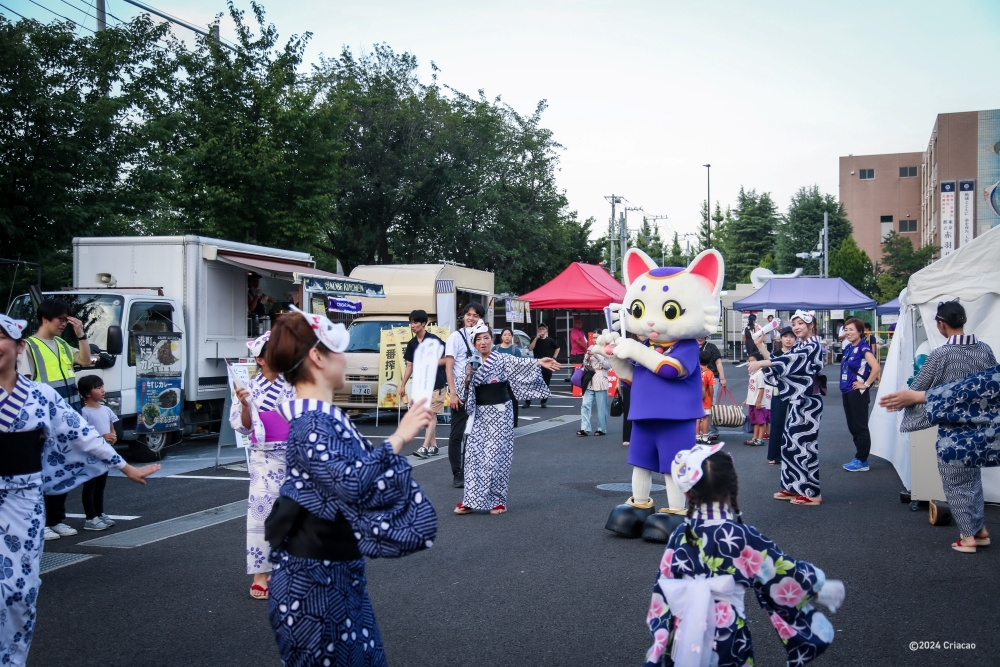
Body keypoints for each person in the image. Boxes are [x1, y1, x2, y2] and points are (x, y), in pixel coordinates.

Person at [263, 306, 436, 666]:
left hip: (331, 575)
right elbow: (351, 482)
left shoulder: (317, 418)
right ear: (317, 357)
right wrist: (400, 437)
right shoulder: (312, 423)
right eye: (338, 350)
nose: (345, 358)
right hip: (314, 584)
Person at [0, 313, 158, 667]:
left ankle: (11, 660)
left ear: (19, 347)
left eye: (0, 337)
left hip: (23, 500)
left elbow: (80, 434)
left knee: (20, 590)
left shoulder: (39, 395)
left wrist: (125, 466)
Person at [643, 444, 845, 667]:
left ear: (687, 492)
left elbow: (663, 587)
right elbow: (782, 571)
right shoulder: (742, 535)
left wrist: (661, 639)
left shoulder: (681, 535)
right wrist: (819, 588)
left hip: (685, 632)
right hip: (729, 635)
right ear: (732, 487)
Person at [883, 300, 996, 553]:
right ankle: (980, 531)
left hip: (953, 432)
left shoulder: (941, 355)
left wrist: (903, 402)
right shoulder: (985, 350)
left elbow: (917, 388)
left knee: (955, 483)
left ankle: (968, 537)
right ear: (964, 321)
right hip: (981, 429)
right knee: (973, 481)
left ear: (941, 324)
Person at [455, 323, 560, 515]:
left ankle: (498, 500)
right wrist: (467, 377)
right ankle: (470, 499)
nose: (483, 342)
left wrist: (539, 362)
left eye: (486, 337)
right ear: (473, 343)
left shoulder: (501, 358)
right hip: (479, 415)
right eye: (478, 339)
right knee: (473, 457)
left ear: (491, 339)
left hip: (500, 413)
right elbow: (462, 391)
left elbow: (521, 364)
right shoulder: (470, 363)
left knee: (496, 457)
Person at [17, 299, 93, 541]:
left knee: (61, 469)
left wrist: (81, 335)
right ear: (45, 318)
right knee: (40, 472)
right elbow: (24, 385)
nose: (64, 323)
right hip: (44, 421)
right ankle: (40, 523)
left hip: (68, 418)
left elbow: (86, 361)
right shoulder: (29, 346)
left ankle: (55, 519)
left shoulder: (61, 344)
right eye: (61, 319)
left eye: (66, 319)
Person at [229, 331, 296, 600]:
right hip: (263, 458)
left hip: (293, 457)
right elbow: (244, 427)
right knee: (261, 516)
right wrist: (245, 405)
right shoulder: (249, 388)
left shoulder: (294, 384)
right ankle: (260, 574)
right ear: (260, 359)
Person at [748, 310, 825, 506]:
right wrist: (760, 346)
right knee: (790, 444)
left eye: (801, 323)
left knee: (805, 446)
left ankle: (812, 492)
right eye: (794, 323)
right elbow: (779, 361)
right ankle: (793, 486)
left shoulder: (813, 345)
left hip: (809, 401)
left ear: (811, 325)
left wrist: (761, 363)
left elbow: (788, 361)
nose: (797, 327)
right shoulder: (801, 345)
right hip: (799, 400)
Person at [445, 303, 487, 488]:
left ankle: (475, 470)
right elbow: (449, 367)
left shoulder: (482, 338)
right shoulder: (455, 337)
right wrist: (452, 394)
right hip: (461, 393)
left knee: (479, 433)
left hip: (481, 392)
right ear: (463, 316)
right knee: (457, 434)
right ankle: (457, 473)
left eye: (475, 315)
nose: (471, 318)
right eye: (469, 314)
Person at [399, 310, 448, 459]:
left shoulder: (434, 340)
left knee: (431, 414)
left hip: (437, 383)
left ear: (423, 324)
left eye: (415, 322)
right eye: (411, 322)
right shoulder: (412, 343)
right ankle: (434, 446)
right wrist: (403, 385)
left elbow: (447, 359)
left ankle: (425, 447)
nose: (412, 325)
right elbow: (410, 365)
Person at [78, 375, 120, 531]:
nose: (103, 390)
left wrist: (113, 435)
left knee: (100, 485)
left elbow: (111, 428)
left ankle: (99, 513)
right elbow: (82, 435)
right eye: (98, 388)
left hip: (104, 454)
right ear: (87, 393)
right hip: (90, 456)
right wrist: (103, 437)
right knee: (90, 486)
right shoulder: (84, 412)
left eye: (102, 387)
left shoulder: (106, 409)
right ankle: (90, 518)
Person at [839, 317, 881, 472]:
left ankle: (862, 460)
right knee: (852, 425)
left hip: (858, 392)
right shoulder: (848, 347)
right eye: (846, 329)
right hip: (847, 390)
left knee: (860, 426)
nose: (848, 332)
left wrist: (866, 384)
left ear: (860, 332)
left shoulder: (863, 348)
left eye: (851, 329)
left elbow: (876, 367)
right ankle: (859, 458)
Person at [766, 326, 796, 465]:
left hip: (795, 393)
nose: (788, 339)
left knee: (795, 424)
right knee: (777, 423)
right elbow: (768, 372)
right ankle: (774, 455)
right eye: (785, 336)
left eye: (791, 336)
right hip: (779, 392)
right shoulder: (775, 354)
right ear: (781, 338)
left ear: (795, 339)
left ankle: (794, 454)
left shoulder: (798, 353)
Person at [578, 343, 612, 436]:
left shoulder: (607, 350)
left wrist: (596, 356)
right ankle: (585, 428)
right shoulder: (590, 348)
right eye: (594, 337)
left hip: (600, 380)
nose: (595, 340)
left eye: (597, 337)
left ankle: (601, 429)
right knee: (585, 405)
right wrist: (587, 358)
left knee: (601, 407)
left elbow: (608, 365)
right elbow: (585, 364)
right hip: (589, 380)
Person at [697, 337, 726, 442]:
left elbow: (718, 363)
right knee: (701, 407)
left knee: (708, 404)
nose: (700, 338)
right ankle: (701, 433)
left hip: (712, 377)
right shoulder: (691, 346)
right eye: (698, 336)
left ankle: (710, 431)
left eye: (702, 336)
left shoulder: (711, 347)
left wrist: (722, 378)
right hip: (696, 379)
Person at [525, 323, 560, 408]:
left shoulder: (549, 340)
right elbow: (530, 348)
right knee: (531, 383)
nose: (542, 331)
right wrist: (536, 338)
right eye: (540, 329)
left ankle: (543, 401)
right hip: (537, 364)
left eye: (543, 329)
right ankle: (527, 401)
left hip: (547, 364)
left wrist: (554, 357)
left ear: (546, 330)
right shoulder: (534, 338)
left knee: (546, 384)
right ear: (537, 330)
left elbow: (557, 348)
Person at [742, 351, 772, 447]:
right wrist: (747, 399)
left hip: (758, 403)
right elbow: (752, 390)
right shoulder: (752, 374)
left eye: (752, 361)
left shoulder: (759, 374)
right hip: (752, 402)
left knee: (761, 422)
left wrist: (759, 401)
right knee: (754, 421)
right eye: (749, 361)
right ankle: (754, 438)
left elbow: (761, 388)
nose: (750, 363)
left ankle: (760, 439)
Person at [695, 360, 715, 444]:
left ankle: (697, 436)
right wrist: (712, 398)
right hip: (706, 399)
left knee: (697, 418)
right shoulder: (709, 372)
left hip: (696, 398)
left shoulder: (696, 370)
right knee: (706, 418)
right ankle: (705, 437)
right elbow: (710, 387)